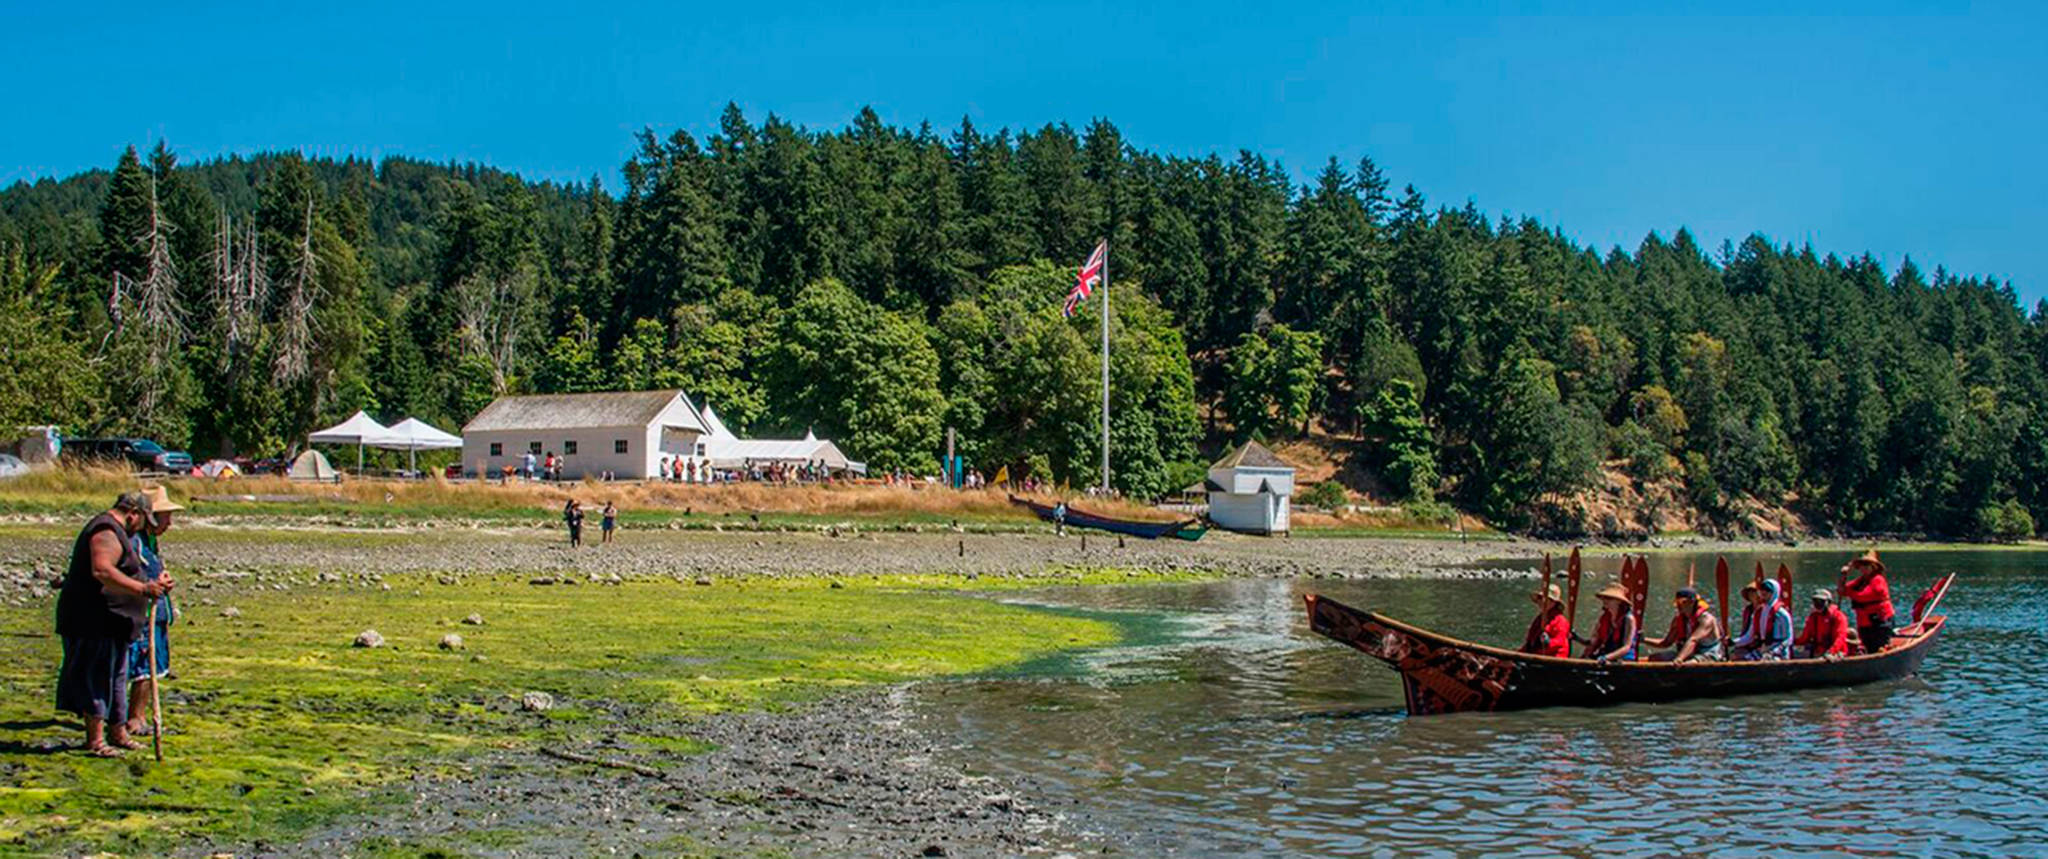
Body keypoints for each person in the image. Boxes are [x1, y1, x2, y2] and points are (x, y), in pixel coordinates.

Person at [56, 492, 171, 757]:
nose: (143, 527)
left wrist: (155, 581)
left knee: (117, 677)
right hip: (94, 620)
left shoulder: (120, 532)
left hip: (116, 622)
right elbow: (103, 570)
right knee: (97, 677)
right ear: (133, 513)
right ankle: (95, 739)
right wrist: (143, 588)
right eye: (143, 520)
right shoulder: (106, 530)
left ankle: (117, 731)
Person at [123, 486, 181, 738]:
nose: (169, 522)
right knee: (142, 667)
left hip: (155, 613)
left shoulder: (150, 541)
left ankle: (135, 716)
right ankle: (134, 718)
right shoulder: (134, 541)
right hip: (142, 614)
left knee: (149, 666)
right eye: (166, 516)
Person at [1643, 588, 1723, 662]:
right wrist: (1643, 640)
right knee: (1654, 658)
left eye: (1682, 602)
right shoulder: (1678, 620)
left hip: (1709, 654)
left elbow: (1693, 640)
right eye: (1677, 602)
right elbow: (1666, 642)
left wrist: (1679, 659)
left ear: (1692, 602)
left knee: (1690, 664)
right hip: (1688, 654)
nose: (1679, 606)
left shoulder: (1706, 619)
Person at [1839, 550, 1896, 652]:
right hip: (1864, 622)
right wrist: (1843, 575)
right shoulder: (1860, 581)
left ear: (1873, 566)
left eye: (1867, 564)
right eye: (1862, 564)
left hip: (1880, 622)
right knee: (1868, 647)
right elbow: (1842, 591)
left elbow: (1864, 596)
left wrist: (1851, 593)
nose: (1864, 567)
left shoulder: (1878, 579)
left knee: (1880, 648)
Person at [1729, 579, 1793, 661]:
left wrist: (1776, 651)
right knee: (1738, 658)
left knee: (1767, 660)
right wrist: (1733, 642)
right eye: (1762, 589)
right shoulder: (1758, 612)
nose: (1764, 592)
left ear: (1774, 592)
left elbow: (1788, 639)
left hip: (1779, 652)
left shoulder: (1782, 614)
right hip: (1763, 649)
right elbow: (1749, 637)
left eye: (1768, 590)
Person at [1575, 583, 1638, 662]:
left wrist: (1606, 658)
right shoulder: (1604, 618)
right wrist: (1576, 638)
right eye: (1604, 598)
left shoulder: (1629, 619)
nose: (1605, 600)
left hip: (1623, 660)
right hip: (1606, 656)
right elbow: (1593, 643)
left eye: (1609, 598)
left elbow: (1626, 647)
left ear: (1619, 601)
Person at [1795, 588, 1851, 659]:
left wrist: (1831, 652)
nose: (1818, 604)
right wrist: (1792, 641)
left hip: (1836, 653)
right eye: (1815, 601)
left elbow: (1840, 637)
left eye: (1821, 601)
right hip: (1818, 652)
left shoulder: (1839, 616)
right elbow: (1804, 638)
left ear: (1829, 602)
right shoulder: (1813, 617)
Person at [1520, 584, 1570, 657]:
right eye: (1540, 598)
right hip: (1535, 656)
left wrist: (1548, 642)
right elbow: (1530, 643)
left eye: (1546, 598)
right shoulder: (1539, 619)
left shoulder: (1560, 621)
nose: (1541, 601)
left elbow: (1559, 643)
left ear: (1554, 602)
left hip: (1553, 660)